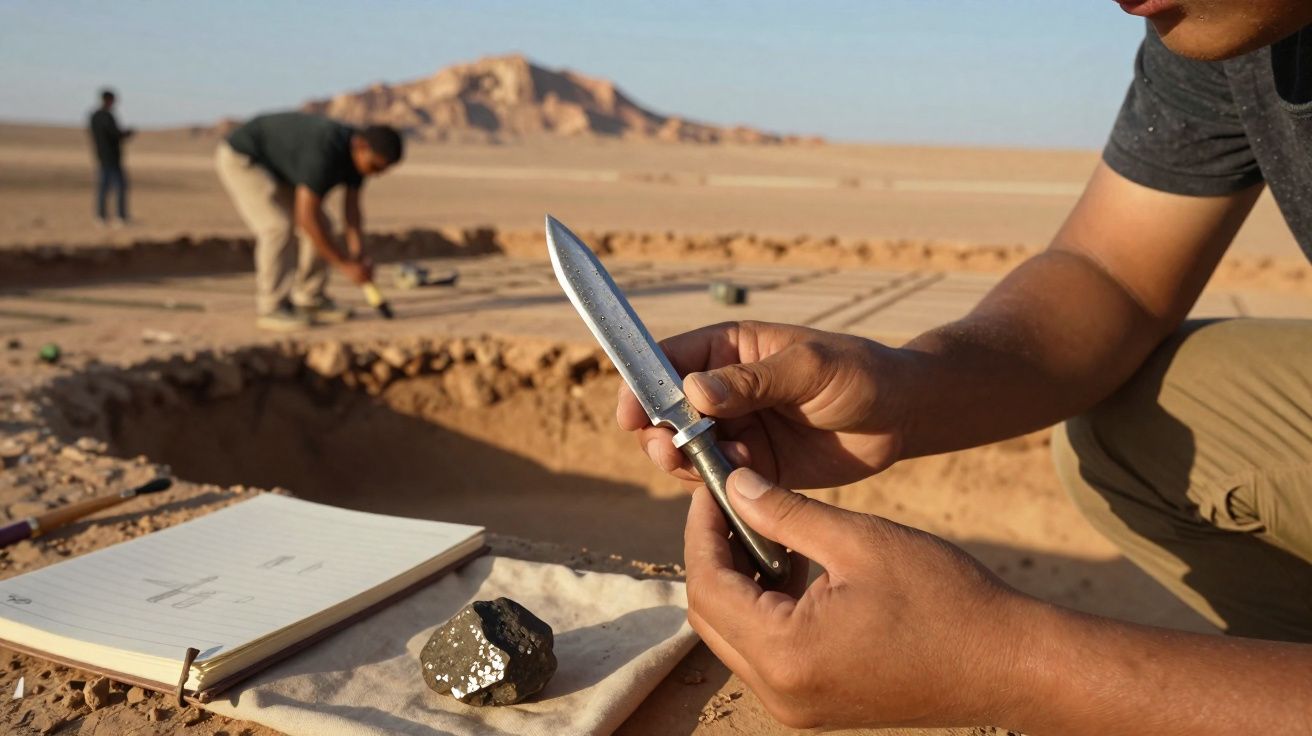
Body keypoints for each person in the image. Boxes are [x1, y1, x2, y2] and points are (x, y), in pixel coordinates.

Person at [619, 3, 1312, 733]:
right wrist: (907, 387)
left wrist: (1021, 665)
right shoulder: (1235, 29)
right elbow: (1114, 276)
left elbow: (1020, 666)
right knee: (1145, 419)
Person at [215, 112, 402, 331]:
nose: (376, 174)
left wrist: (357, 253)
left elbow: (352, 211)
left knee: (324, 226)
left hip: (279, 168)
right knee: (277, 227)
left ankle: (310, 298)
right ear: (360, 146)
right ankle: (271, 307)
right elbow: (306, 218)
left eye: (382, 170)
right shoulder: (324, 151)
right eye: (375, 167)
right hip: (245, 158)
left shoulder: (358, 160)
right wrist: (344, 265)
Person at [88, 88, 133, 227]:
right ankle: (120, 217)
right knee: (118, 187)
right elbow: (115, 135)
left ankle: (101, 216)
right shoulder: (107, 116)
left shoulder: (94, 116)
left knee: (103, 188)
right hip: (112, 158)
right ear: (109, 100)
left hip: (101, 156)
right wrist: (126, 134)